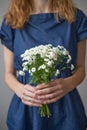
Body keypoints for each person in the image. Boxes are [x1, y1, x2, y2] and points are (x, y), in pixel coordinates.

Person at [0, 0, 87, 129]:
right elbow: (8, 74)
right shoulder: (11, 20)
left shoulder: (75, 18)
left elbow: (81, 69)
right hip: (27, 112)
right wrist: (20, 90)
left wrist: (68, 84)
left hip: (67, 111)